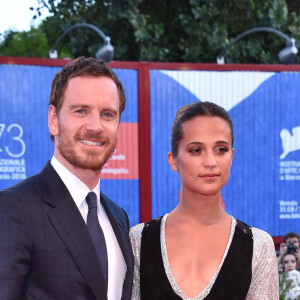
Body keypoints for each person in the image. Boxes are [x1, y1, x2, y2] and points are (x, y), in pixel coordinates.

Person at [0, 57, 134, 300]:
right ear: (54, 119)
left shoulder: (119, 217)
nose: (95, 126)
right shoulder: (14, 208)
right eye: (81, 111)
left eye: (107, 114)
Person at [130, 101, 279, 299]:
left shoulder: (258, 246)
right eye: (196, 150)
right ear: (173, 159)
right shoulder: (140, 240)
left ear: (232, 156)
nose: (211, 162)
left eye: (220, 150)